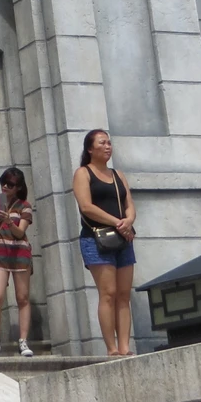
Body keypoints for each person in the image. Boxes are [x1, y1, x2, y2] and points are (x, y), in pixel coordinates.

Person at [72, 128, 136, 359]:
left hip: (123, 238)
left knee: (124, 294)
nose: (108, 146)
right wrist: (117, 222)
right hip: (96, 238)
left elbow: (129, 203)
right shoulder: (83, 173)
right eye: (102, 143)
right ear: (90, 149)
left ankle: (125, 346)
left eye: (109, 142)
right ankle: (112, 348)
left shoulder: (118, 174)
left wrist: (128, 220)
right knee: (108, 293)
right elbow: (86, 207)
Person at [0, 167, 34, 358]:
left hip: (19, 253)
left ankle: (23, 340)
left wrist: (9, 221)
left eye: (10, 184)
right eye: (3, 182)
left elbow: (20, 233)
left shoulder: (24, 205)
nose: (5, 187)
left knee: (22, 297)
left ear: (18, 187)